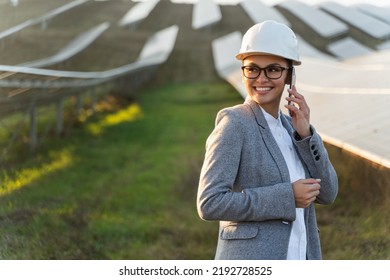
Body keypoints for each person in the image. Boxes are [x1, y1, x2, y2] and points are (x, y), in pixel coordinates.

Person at [197, 20, 338, 260]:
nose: (261, 79)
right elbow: (210, 203)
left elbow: (328, 193)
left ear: (289, 75)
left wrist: (306, 136)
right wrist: (286, 196)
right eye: (252, 68)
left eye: (273, 69)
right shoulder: (234, 124)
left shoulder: (291, 129)